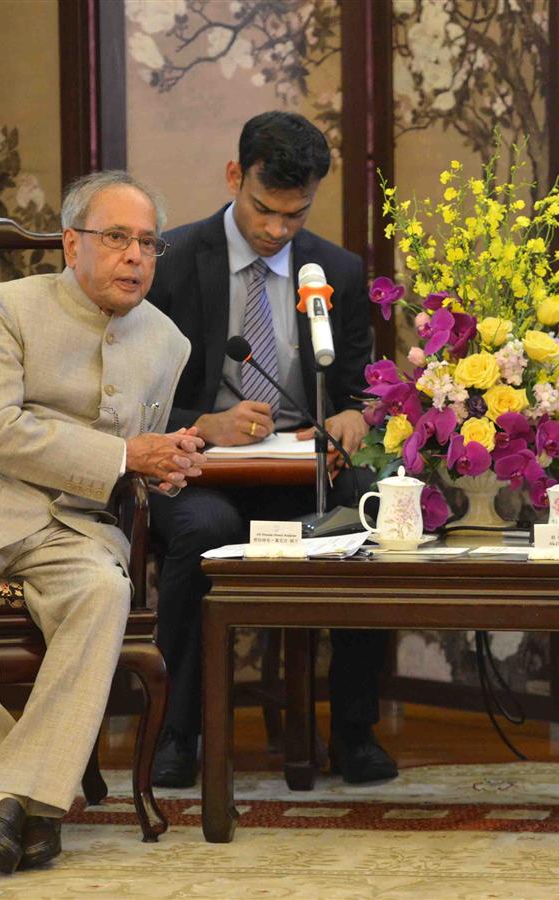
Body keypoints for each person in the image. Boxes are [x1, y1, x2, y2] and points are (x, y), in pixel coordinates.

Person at [0, 170, 204, 873]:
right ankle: (25, 799)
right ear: (71, 243)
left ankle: (4, 808)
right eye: (116, 238)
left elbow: (135, 456)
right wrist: (124, 455)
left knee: (104, 591)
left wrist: (162, 463)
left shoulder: (167, 342)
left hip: (68, 525)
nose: (135, 257)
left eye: (148, 243)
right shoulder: (3, 308)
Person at [146, 111, 391, 788]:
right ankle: (177, 731)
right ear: (235, 176)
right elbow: (132, 397)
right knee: (205, 534)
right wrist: (208, 423)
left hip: (301, 468)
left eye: (295, 214)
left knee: (372, 521)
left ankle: (353, 730)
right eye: (264, 210)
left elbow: (357, 388)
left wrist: (349, 419)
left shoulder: (336, 270)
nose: (278, 230)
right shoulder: (170, 262)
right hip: (199, 469)